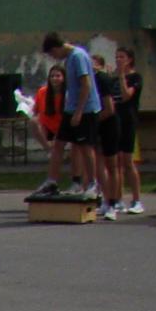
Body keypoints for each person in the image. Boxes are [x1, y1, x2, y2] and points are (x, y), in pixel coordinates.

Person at [34, 32, 101, 197]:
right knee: (58, 144)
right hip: (70, 109)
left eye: (52, 55)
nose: (54, 58)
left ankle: (92, 184)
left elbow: (86, 85)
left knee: (85, 147)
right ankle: (52, 181)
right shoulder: (69, 59)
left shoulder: (78, 56)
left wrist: (79, 112)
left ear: (56, 48)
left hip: (85, 109)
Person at [113, 47, 146, 214]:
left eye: (122, 57)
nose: (118, 60)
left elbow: (126, 96)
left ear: (129, 59)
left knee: (127, 161)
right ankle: (117, 199)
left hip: (128, 121)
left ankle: (136, 200)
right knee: (116, 161)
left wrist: (121, 76)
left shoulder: (135, 78)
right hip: (115, 121)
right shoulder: (113, 79)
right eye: (117, 57)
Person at [91, 53, 122, 219]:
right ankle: (105, 200)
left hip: (108, 124)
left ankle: (113, 203)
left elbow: (109, 109)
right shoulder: (87, 80)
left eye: (93, 63)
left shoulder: (102, 79)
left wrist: (93, 121)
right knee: (99, 165)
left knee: (112, 165)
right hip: (97, 124)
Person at [26, 64, 66, 154]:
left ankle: (53, 150)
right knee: (33, 121)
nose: (54, 78)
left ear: (64, 78)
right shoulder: (42, 92)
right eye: (52, 76)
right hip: (46, 127)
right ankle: (48, 149)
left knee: (57, 151)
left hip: (63, 128)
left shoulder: (67, 93)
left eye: (58, 76)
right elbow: (35, 111)